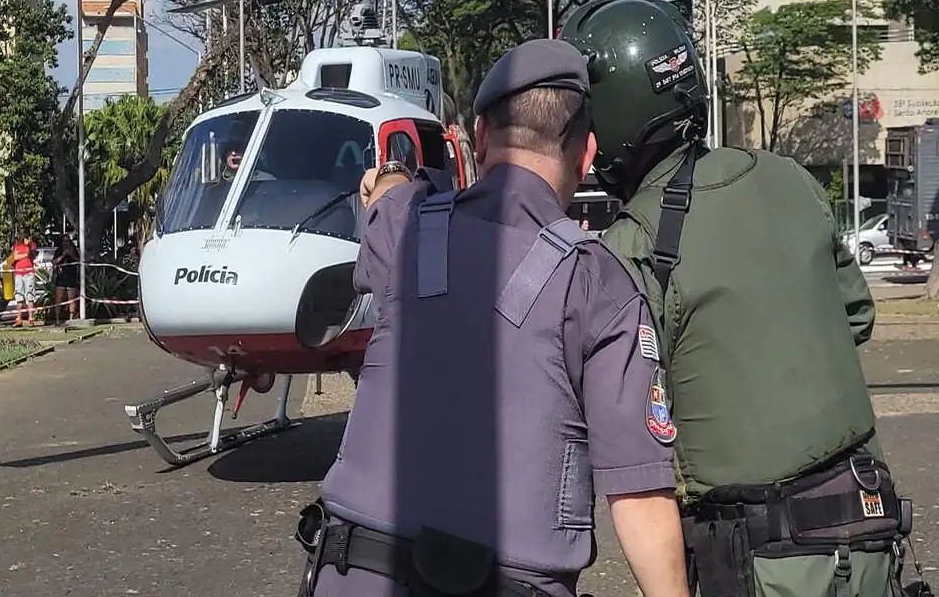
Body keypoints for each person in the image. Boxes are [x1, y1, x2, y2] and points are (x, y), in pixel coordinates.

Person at [558, 0, 928, 597]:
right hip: (868, 527)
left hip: (758, 558)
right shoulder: (789, 177)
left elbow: (612, 410)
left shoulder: (632, 245)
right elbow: (856, 316)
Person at [294, 39, 689, 597]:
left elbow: (386, 196)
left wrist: (387, 172)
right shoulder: (601, 285)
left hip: (353, 573)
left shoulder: (405, 227)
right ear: (586, 153)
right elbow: (640, 499)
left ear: (479, 137)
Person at [52, 235, 80, 325]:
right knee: (58, 299)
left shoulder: (74, 250)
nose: (66, 243)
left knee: (72, 299)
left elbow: (79, 261)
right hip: (61, 278)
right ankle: (57, 319)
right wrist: (63, 255)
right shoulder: (58, 251)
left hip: (71, 277)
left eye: (68, 241)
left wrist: (71, 255)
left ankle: (71, 318)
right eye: (64, 241)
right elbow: (54, 262)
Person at [11, 233, 38, 327]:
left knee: (30, 296)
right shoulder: (16, 246)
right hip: (18, 273)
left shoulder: (30, 245)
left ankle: (31, 318)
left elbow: (33, 250)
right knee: (19, 296)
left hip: (28, 273)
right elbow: (14, 258)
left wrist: (29, 244)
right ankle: (19, 319)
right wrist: (24, 255)